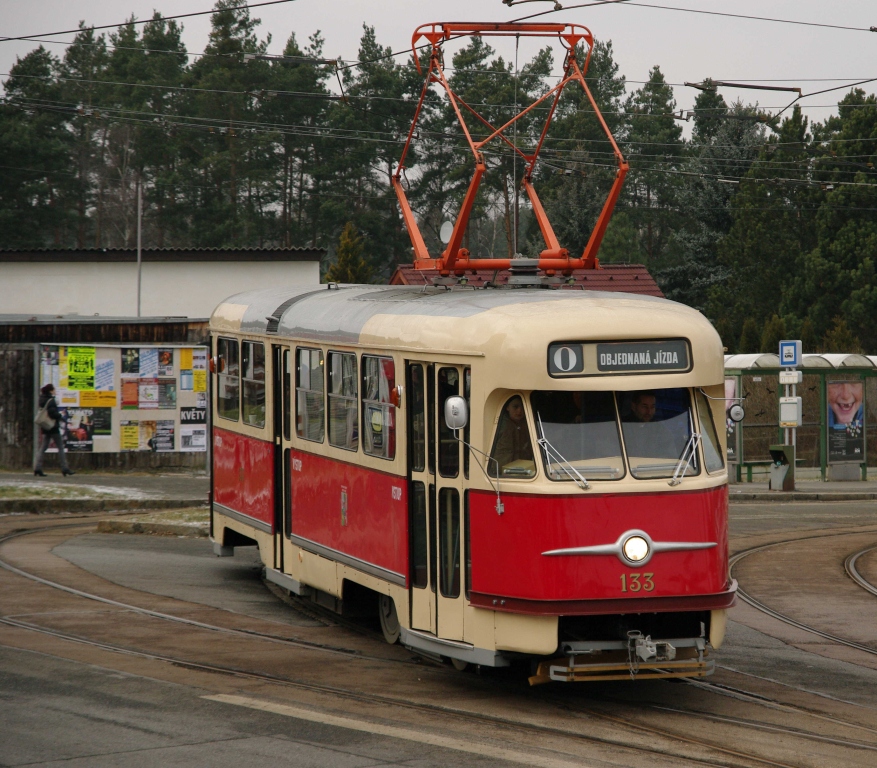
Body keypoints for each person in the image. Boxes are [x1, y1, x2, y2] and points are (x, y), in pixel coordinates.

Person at [34, 384, 74, 477]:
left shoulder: (42, 399)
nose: (55, 391)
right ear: (50, 391)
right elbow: (52, 414)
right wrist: (60, 415)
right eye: (54, 389)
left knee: (43, 448)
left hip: (45, 426)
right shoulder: (51, 400)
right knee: (60, 447)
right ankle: (65, 468)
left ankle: (37, 468)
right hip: (53, 427)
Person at [491, 396, 535, 475]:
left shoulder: (530, 425)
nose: (519, 411)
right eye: (515, 407)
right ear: (507, 407)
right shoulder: (498, 424)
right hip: (499, 474)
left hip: (524, 472)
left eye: (523, 407)